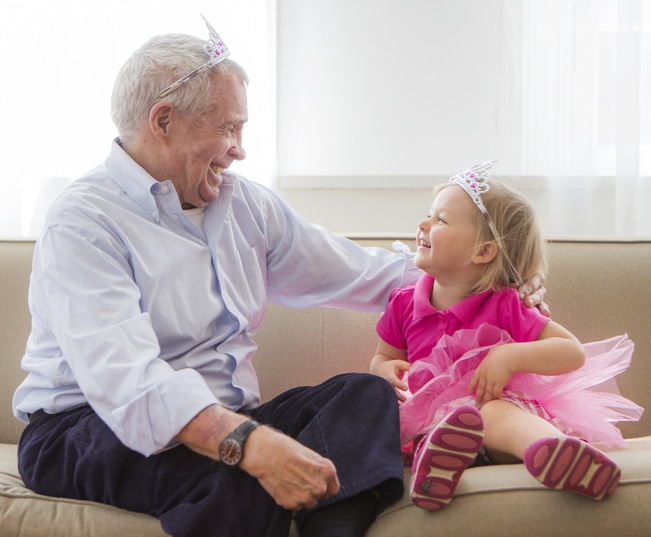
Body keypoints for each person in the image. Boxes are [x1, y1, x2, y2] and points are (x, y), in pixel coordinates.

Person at [12, 18, 547, 537]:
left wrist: (488, 279)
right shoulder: (84, 221)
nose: (240, 149)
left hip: (229, 417)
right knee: (239, 473)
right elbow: (126, 384)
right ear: (163, 120)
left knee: (365, 396)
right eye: (228, 128)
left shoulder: (243, 205)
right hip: (83, 428)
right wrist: (250, 444)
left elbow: (355, 273)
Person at [370, 160, 643, 511]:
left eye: (440, 220)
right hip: (429, 423)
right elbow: (383, 355)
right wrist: (382, 370)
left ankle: (563, 455)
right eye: (429, 214)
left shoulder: (504, 305)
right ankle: (438, 470)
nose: (423, 224)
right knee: (433, 429)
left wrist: (507, 356)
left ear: (483, 251)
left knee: (493, 412)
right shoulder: (404, 303)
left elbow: (571, 352)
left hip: (494, 422)